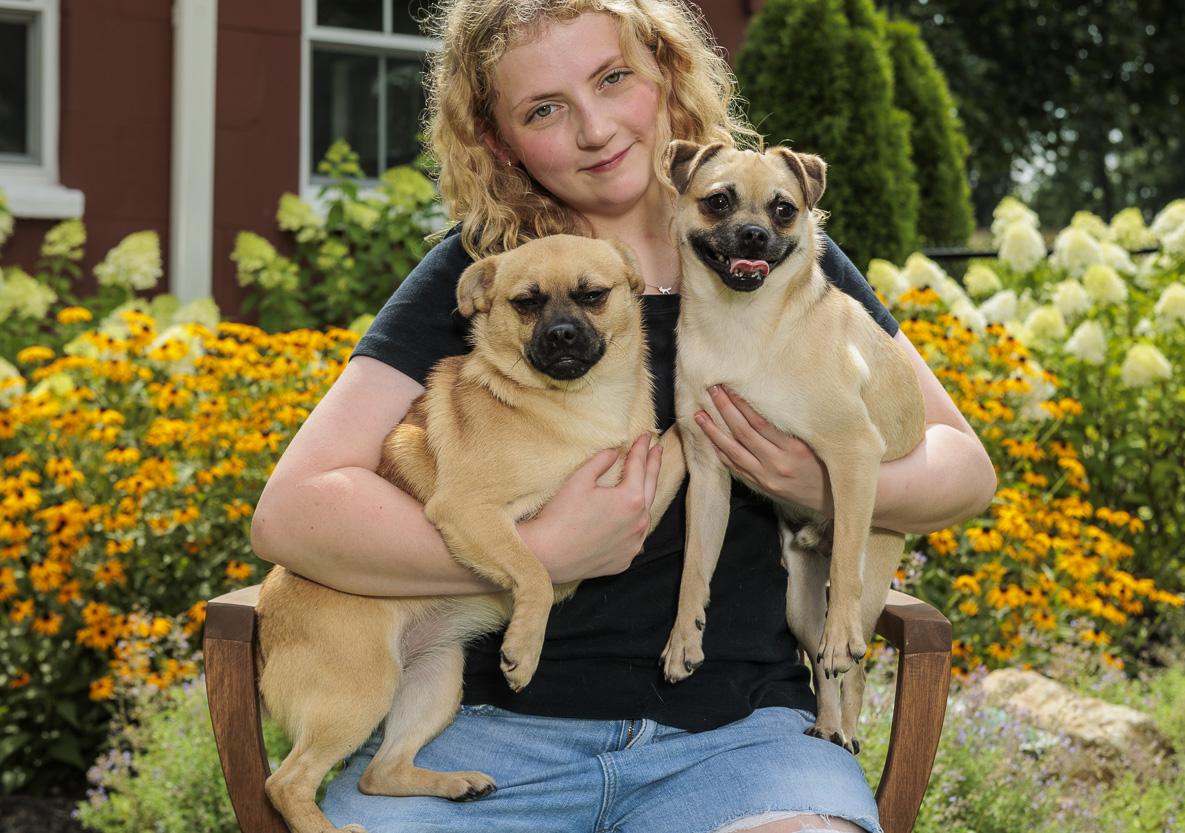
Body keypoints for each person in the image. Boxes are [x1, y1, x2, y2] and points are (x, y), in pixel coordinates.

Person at [249, 2, 997, 832]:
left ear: (668, 77)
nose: (596, 129)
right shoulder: (490, 269)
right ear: (497, 140)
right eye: (544, 109)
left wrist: (813, 480)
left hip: (739, 738)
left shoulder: (769, 250)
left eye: (613, 80)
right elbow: (291, 510)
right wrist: (540, 553)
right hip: (491, 733)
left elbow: (963, 466)